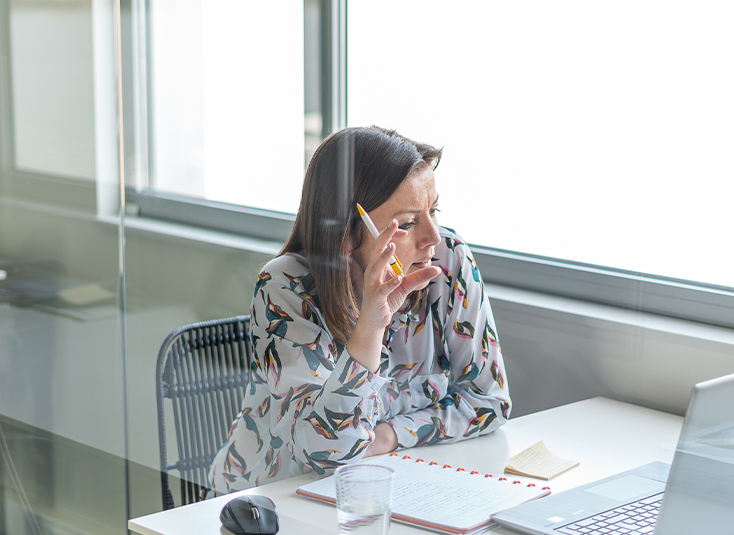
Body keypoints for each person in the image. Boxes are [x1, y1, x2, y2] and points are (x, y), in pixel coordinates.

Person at [208, 126, 511, 493]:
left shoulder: (447, 259)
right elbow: (329, 454)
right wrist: (370, 326)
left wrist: (386, 436)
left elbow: (489, 400)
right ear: (347, 234)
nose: (433, 237)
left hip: (387, 480)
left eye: (434, 210)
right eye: (410, 223)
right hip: (272, 500)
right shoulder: (284, 288)